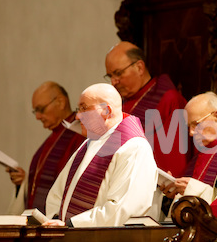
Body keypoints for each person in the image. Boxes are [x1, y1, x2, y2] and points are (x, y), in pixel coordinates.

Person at [43, 83, 157, 227]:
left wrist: (70, 225)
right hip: (71, 240)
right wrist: (56, 220)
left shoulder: (134, 148)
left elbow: (122, 209)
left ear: (106, 111)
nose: (77, 116)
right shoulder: (90, 143)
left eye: (84, 108)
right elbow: (58, 193)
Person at [105, 41, 188, 177]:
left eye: (118, 73)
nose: (114, 82)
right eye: (110, 76)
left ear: (139, 67)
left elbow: (172, 160)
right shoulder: (118, 102)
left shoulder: (167, 99)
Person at [6, 82, 84, 215]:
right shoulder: (54, 137)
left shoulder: (79, 134)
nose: (37, 116)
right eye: (35, 111)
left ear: (60, 102)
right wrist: (25, 181)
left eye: (41, 109)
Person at [159, 91, 217, 206]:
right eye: (189, 127)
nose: (191, 133)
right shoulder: (200, 153)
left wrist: (193, 189)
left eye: (196, 124)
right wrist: (175, 193)